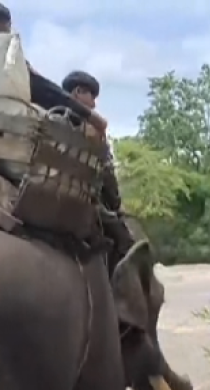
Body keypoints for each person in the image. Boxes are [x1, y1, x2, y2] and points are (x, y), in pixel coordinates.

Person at [0, 1, 107, 136]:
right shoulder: (6, 59)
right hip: (5, 132)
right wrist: (90, 116)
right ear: (3, 27)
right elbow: (44, 90)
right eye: (8, 28)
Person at [62, 69, 135, 259]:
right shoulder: (90, 130)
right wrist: (116, 205)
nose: (94, 103)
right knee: (125, 240)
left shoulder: (50, 117)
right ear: (77, 91)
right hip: (81, 199)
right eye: (91, 96)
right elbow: (107, 176)